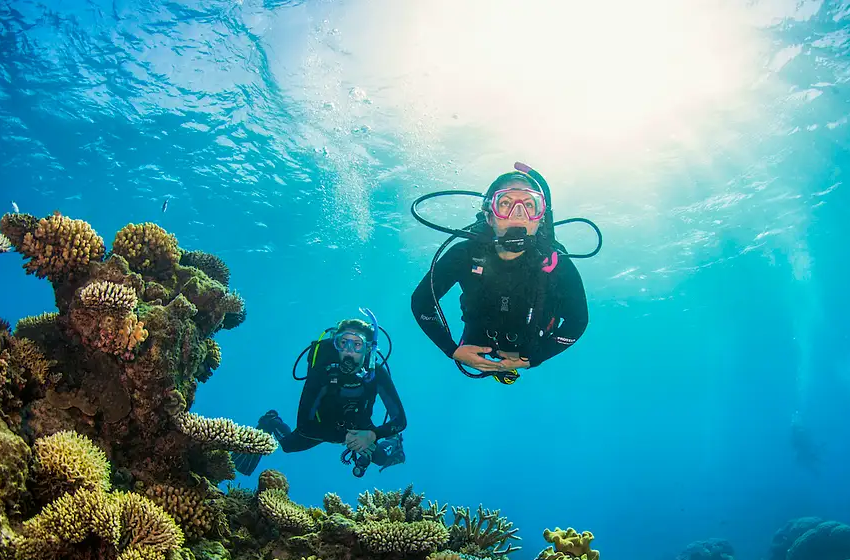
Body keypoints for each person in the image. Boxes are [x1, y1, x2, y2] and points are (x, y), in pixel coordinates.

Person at [410, 164, 590, 384]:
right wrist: (452, 349)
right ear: (489, 215)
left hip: (530, 346)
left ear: (540, 218)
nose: (518, 214)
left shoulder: (555, 264)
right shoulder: (464, 255)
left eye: (529, 205)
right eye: (505, 203)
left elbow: (577, 322)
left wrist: (534, 358)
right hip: (477, 340)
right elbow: (421, 301)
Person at [232, 312, 407, 478]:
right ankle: (270, 420)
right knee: (287, 446)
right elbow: (303, 425)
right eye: (343, 343)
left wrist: (372, 435)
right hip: (322, 423)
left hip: (360, 424)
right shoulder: (322, 372)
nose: (349, 350)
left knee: (382, 458)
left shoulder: (377, 374)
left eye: (357, 344)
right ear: (336, 345)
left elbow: (400, 420)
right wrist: (343, 437)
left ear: (369, 349)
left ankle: (394, 443)